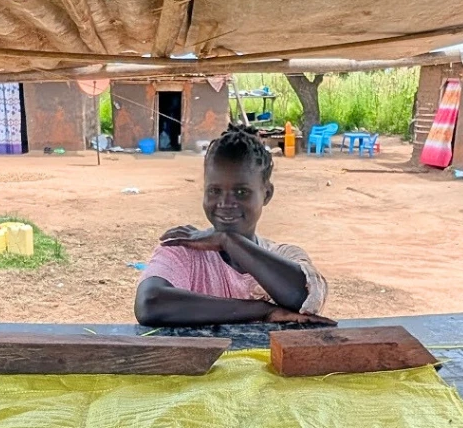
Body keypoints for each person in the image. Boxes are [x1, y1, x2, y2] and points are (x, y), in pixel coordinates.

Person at [135, 124, 332, 326]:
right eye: (214, 191)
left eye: (241, 192)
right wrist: (262, 310)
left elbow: (303, 298)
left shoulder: (285, 255)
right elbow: (150, 304)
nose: (225, 203)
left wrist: (227, 240)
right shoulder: (182, 249)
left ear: (267, 194)